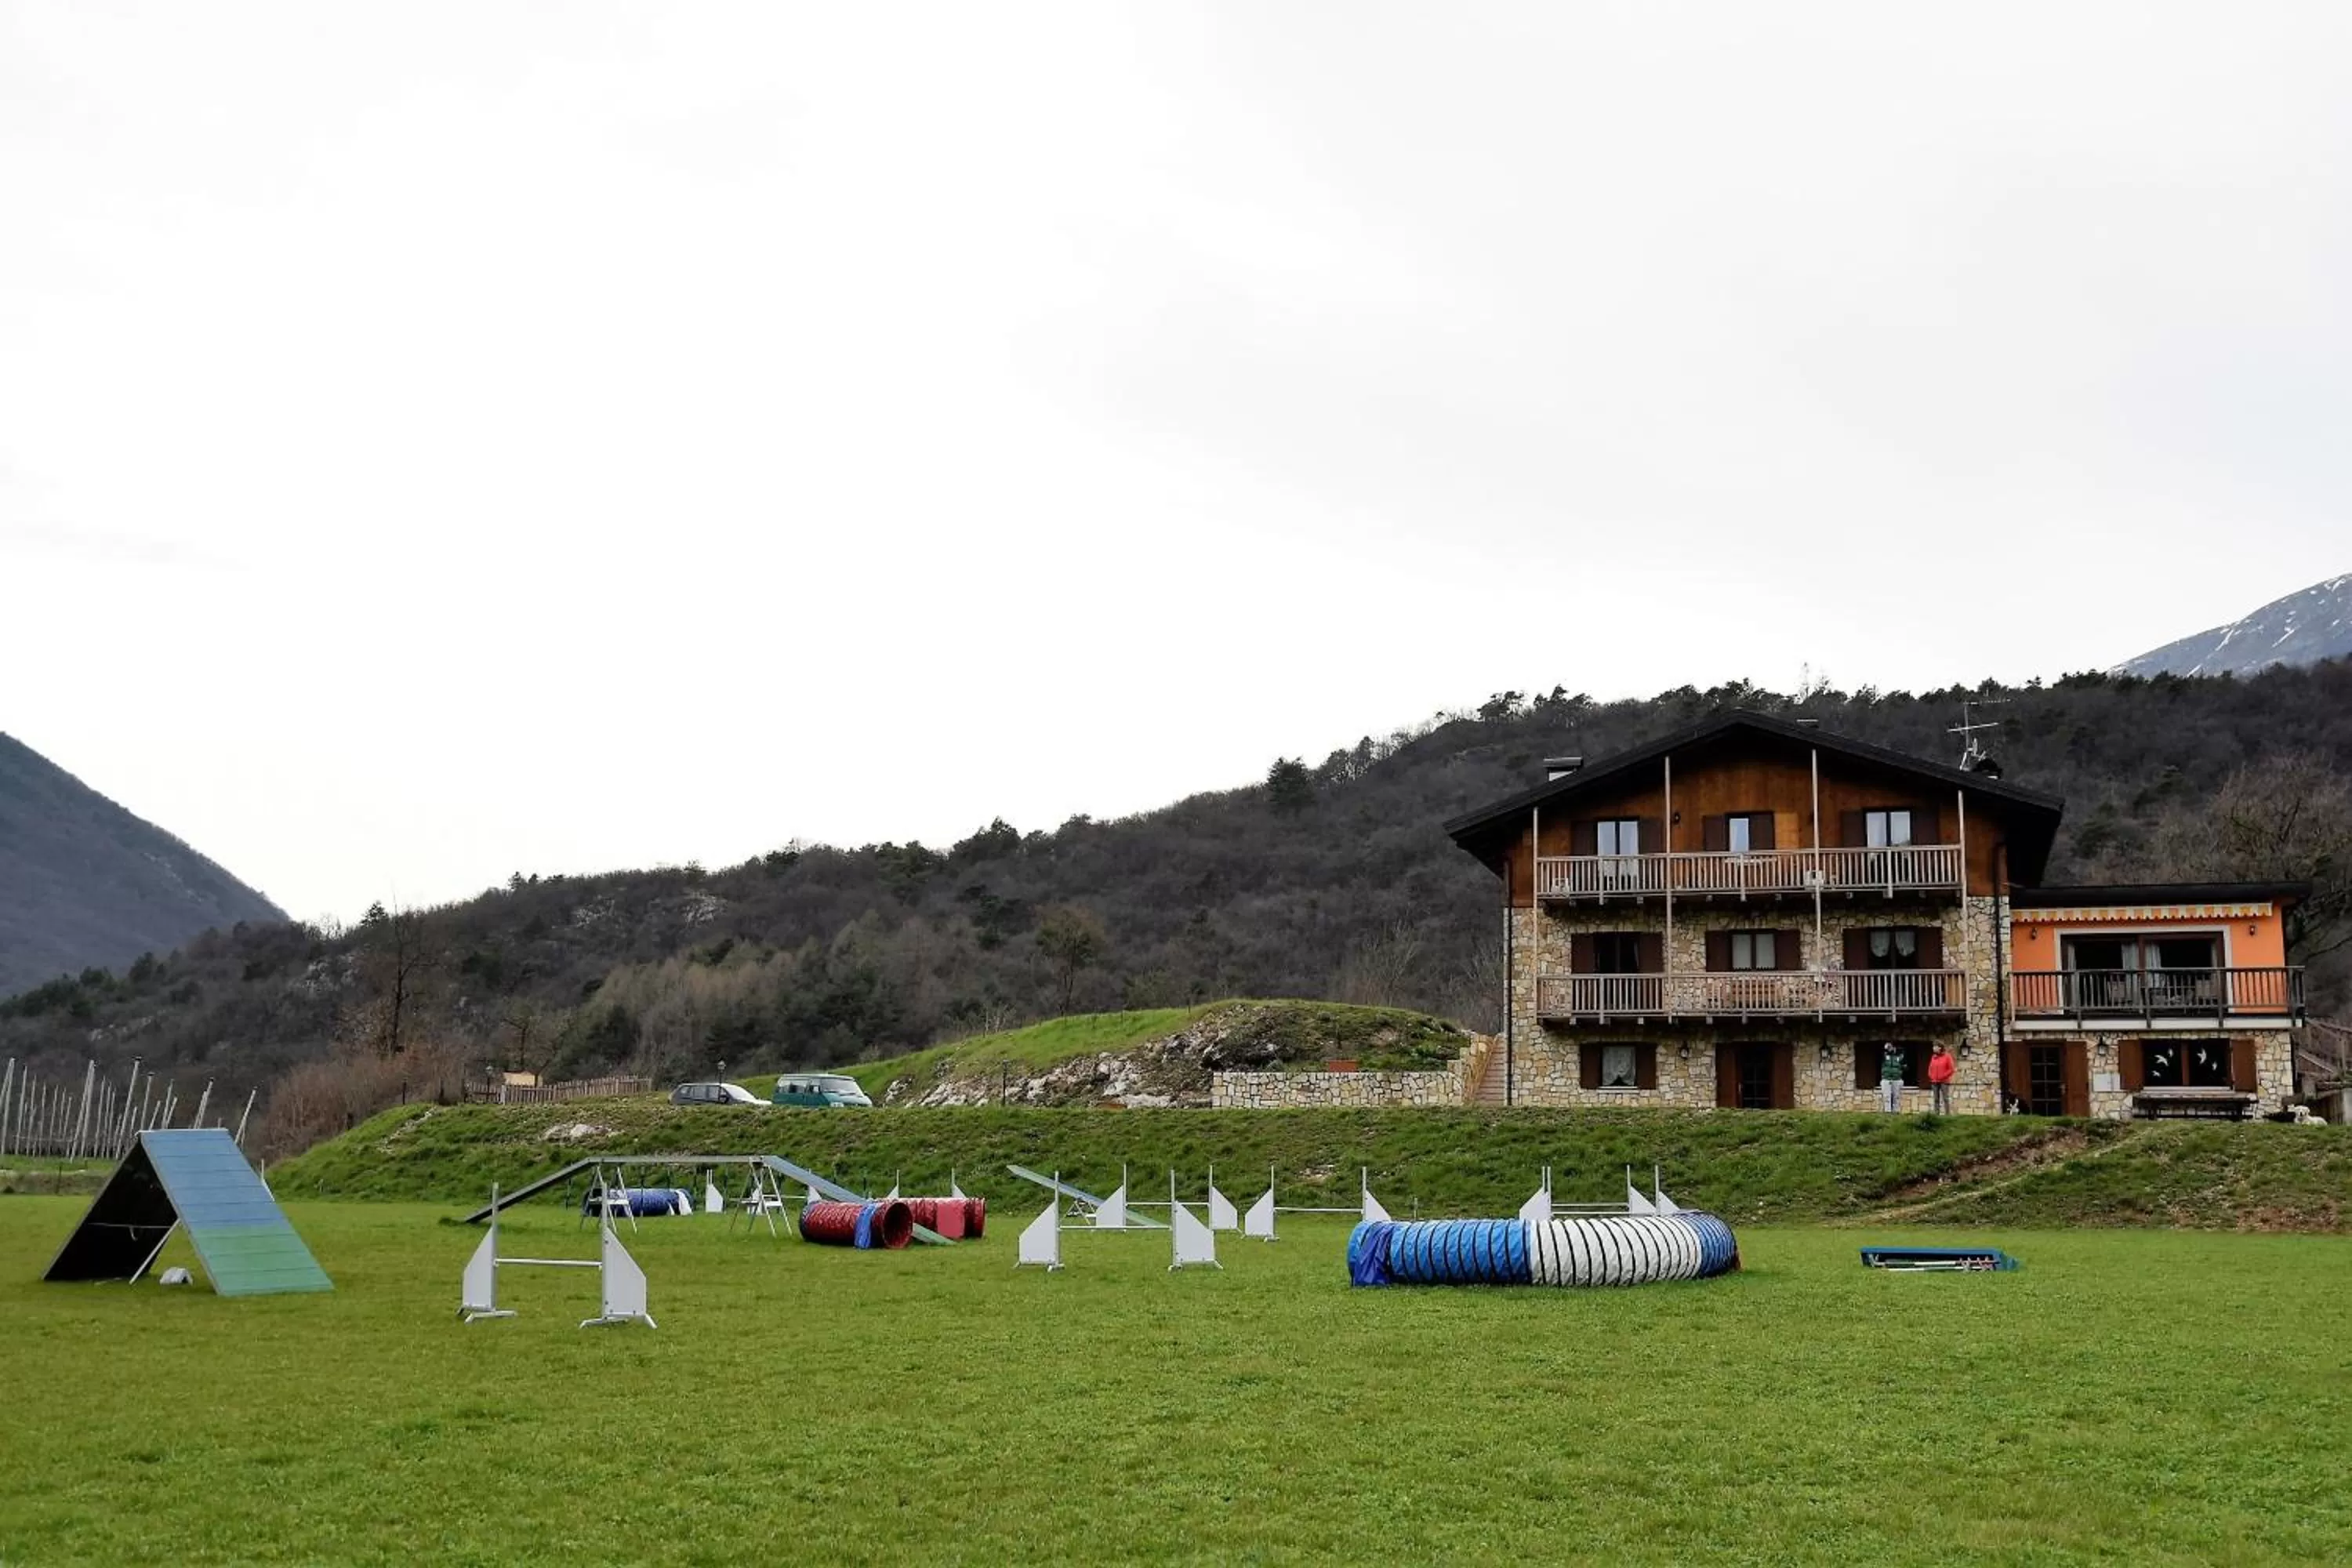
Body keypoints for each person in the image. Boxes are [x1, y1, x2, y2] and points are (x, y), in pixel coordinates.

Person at [1928, 1044, 1956, 1114]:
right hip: (1934, 1081)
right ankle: (1936, 1114)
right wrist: (1930, 1075)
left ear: (1939, 1048)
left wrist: (1943, 1076)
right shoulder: (1933, 1057)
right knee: (1936, 1099)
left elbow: (1951, 1069)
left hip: (1944, 1081)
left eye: (1935, 1047)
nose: (1933, 1048)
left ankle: (1947, 1114)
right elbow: (1930, 1068)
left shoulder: (1947, 1056)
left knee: (1945, 1098)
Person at [1879, 1041, 1905, 1112]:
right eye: (1888, 1047)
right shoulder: (1883, 1055)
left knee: (1896, 1097)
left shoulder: (1899, 1055)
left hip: (1897, 1079)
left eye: (1890, 1047)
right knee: (1887, 1097)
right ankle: (1887, 1112)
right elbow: (1879, 1053)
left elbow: (1905, 1064)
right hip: (1886, 1079)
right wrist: (1885, 1050)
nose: (1889, 1049)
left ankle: (1896, 1112)